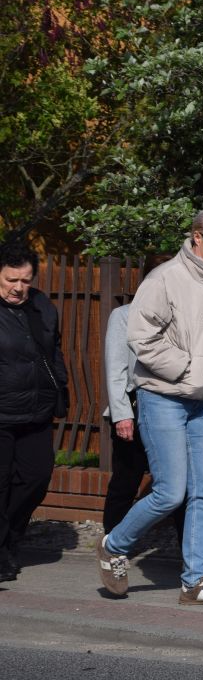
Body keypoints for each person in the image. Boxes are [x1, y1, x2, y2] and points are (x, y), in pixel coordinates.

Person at [96, 203, 203, 607]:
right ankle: (113, 545)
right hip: (162, 397)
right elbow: (141, 339)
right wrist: (189, 368)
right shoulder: (163, 279)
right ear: (197, 237)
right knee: (169, 492)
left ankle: (194, 582)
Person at [102, 254, 185, 545]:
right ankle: (111, 544)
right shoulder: (124, 315)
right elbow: (115, 368)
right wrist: (122, 414)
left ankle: (192, 552)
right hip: (134, 407)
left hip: (174, 406)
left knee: (182, 485)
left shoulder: (183, 317)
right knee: (127, 479)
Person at [0, 242, 68, 583]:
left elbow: (54, 350)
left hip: (36, 410)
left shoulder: (41, 305)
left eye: (25, 280)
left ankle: (10, 538)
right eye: (11, 280)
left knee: (37, 478)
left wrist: (59, 384)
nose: (18, 288)